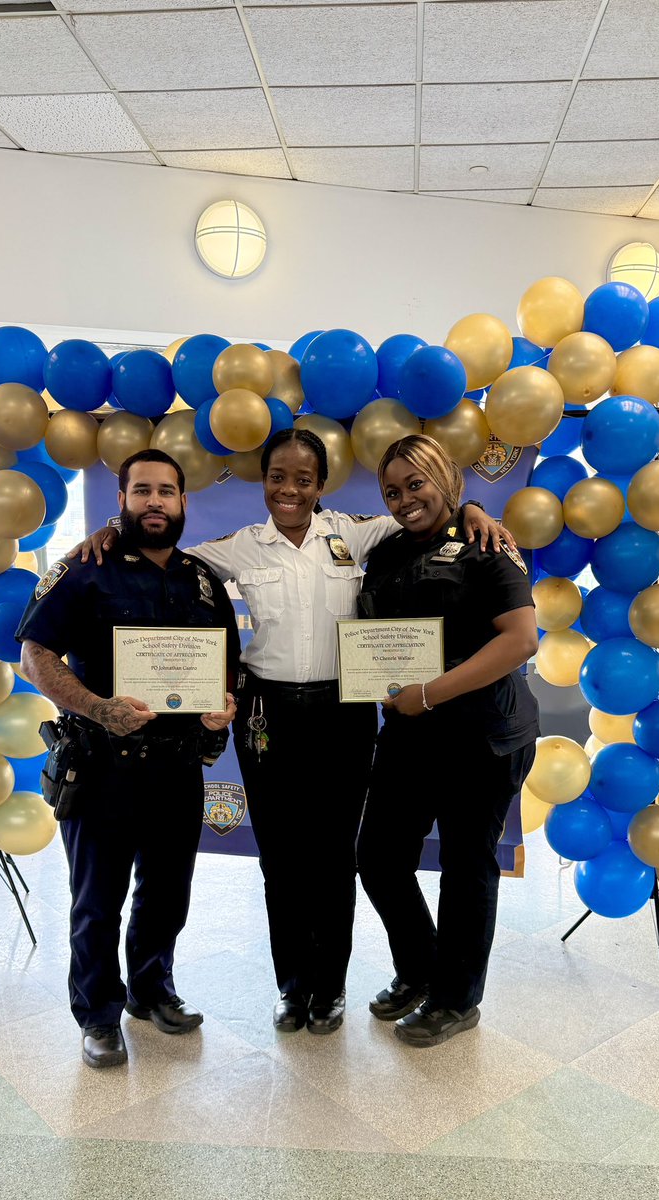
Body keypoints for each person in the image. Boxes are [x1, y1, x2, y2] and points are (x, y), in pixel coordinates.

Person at [73, 428, 511, 1036]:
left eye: (304, 478)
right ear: (264, 482)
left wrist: (474, 508)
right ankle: (292, 986)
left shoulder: (356, 532)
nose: (290, 489)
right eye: (278, 476)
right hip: (266, 715)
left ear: (321, 485)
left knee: (335, 858)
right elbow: (169, 553)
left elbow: (427, 507)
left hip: (343, 713)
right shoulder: (238, 547)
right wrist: (110, 532)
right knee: (279, 859)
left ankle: (329, 989)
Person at [17, 449, 240, 1069]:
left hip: (176, 766)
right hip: (102, 763)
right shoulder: (85, 569)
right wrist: (97, 707)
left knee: (167, 893)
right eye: (141, 491)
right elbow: (35, 656)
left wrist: (221, 706)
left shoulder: (201, 579)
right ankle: (97, 1015)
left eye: (166, 492)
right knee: (97, 899)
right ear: (122, 500)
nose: (155, 502)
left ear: (183, 502)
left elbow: (223, 663)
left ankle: (151, 991)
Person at [356, 434, 539, 1049]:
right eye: (392, 490)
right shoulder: (384, 554)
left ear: (445, 478)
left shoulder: (488, 545)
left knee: (465, 867)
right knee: (378, 857)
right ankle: (422, 970)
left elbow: (520, 641)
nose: (405, 499)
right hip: (411, 734)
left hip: (483, 736)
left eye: (416, 483)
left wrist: (431, 692)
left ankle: (457, 1000)